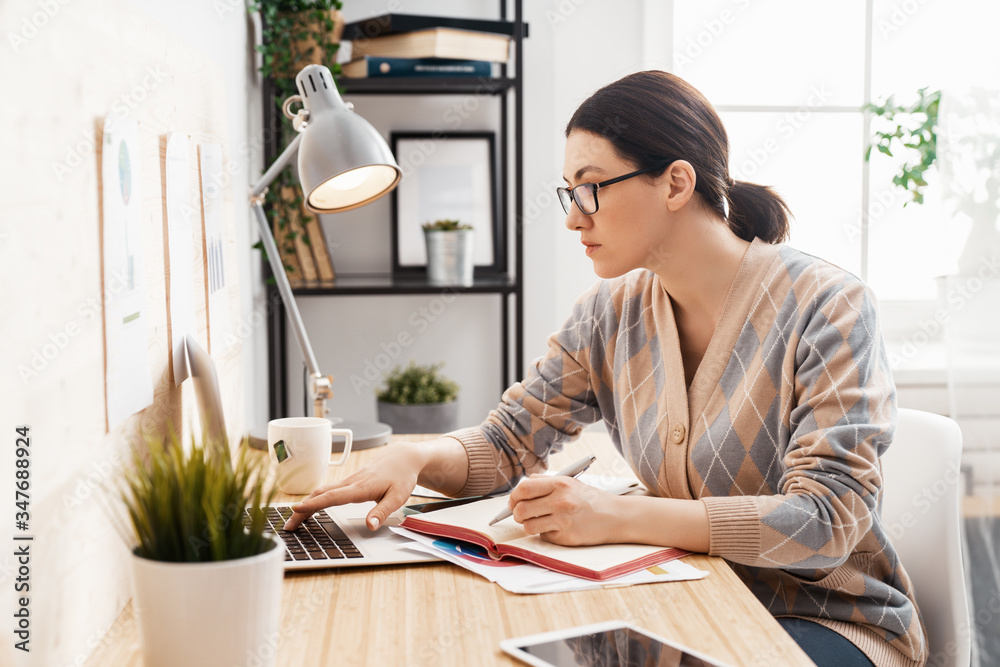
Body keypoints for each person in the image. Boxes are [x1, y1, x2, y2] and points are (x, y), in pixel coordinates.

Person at [285, 70, 926, 667]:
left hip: (827, 621)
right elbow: (510, 443)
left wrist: (618, 517)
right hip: (683, 600)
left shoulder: (828, 306)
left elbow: (827, 521)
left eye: (590, 188)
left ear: (676, 183)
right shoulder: (609, 314)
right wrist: (418, 460)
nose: (572, 216)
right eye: (569, 192)